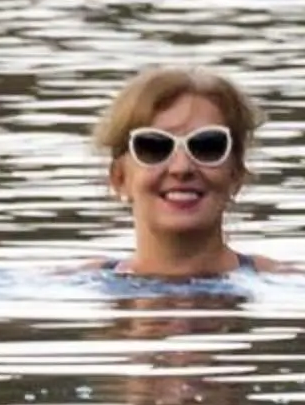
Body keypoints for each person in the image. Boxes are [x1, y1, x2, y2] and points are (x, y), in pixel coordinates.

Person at [95, 63, 263, 283]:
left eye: (207, 146)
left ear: (236, 175)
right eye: (154, 147)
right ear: (119, 178)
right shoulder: (71, 285)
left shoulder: (296, 286)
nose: (181, 168)